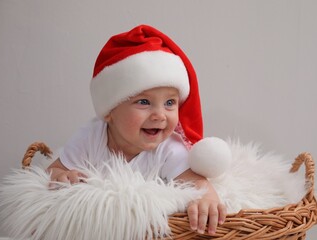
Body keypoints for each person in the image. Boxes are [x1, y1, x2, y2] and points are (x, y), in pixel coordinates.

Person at [47, 24, 226, 235]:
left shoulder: (168, 147)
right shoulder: (91, 136)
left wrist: (206, 198)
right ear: (109, 111)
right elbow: (53, 169)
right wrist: (61, 176)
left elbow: (196, 182)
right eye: (144, 102)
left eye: (170, 103)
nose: (160, 115)